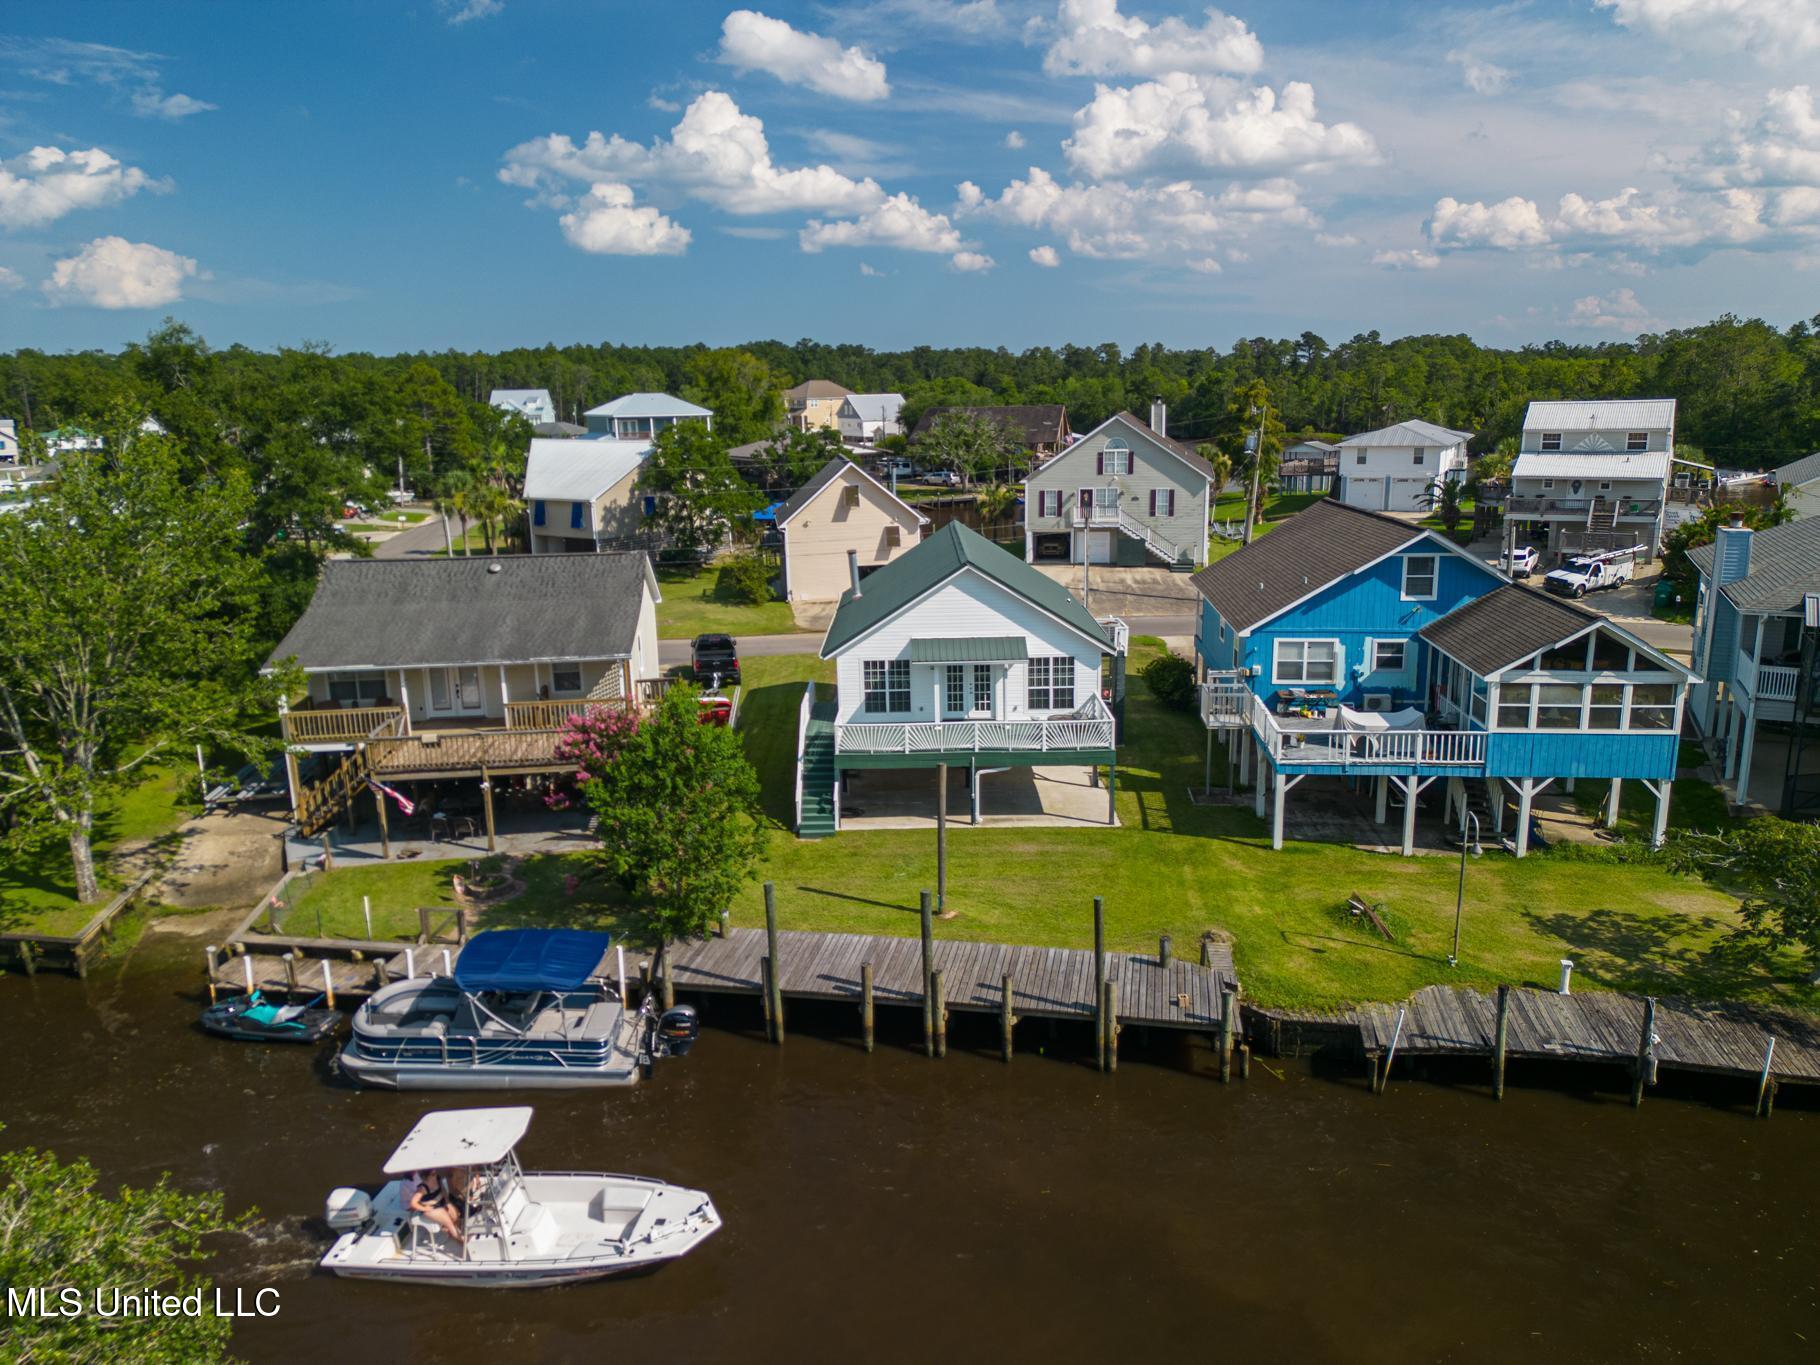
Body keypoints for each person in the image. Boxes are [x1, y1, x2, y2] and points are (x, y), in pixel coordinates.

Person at [408, 1170, 463, 1247]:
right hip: (432, 1208)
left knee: (456, 1216)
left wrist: (447, 1202)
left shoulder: (438, 1178)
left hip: (442, 1202)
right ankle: (462, 1239)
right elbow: (413, 1203)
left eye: (436, 1173)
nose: (436, 1175)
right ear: (427, 1176)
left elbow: (443, 1190)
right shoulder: (422, 1188)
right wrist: (425, 1209)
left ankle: (453, 1233)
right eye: (433, 1174)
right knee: (449, 1223)